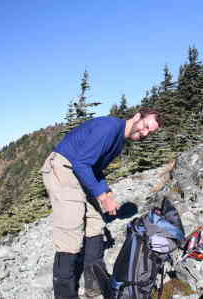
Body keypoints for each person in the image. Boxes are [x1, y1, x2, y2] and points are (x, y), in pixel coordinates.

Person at [41, 107, 163, 299]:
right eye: (145, 126)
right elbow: (81, 163)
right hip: (63, 167)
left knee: (96, 223)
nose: (145, 133)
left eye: (150, 132)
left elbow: (94, 168)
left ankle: (94, 284)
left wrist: (105, 190)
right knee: (71, 229)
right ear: (137, 116)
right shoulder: (108, 128)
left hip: (78, 171)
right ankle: (65, 295)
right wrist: (102, 197)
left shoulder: (119, 141)